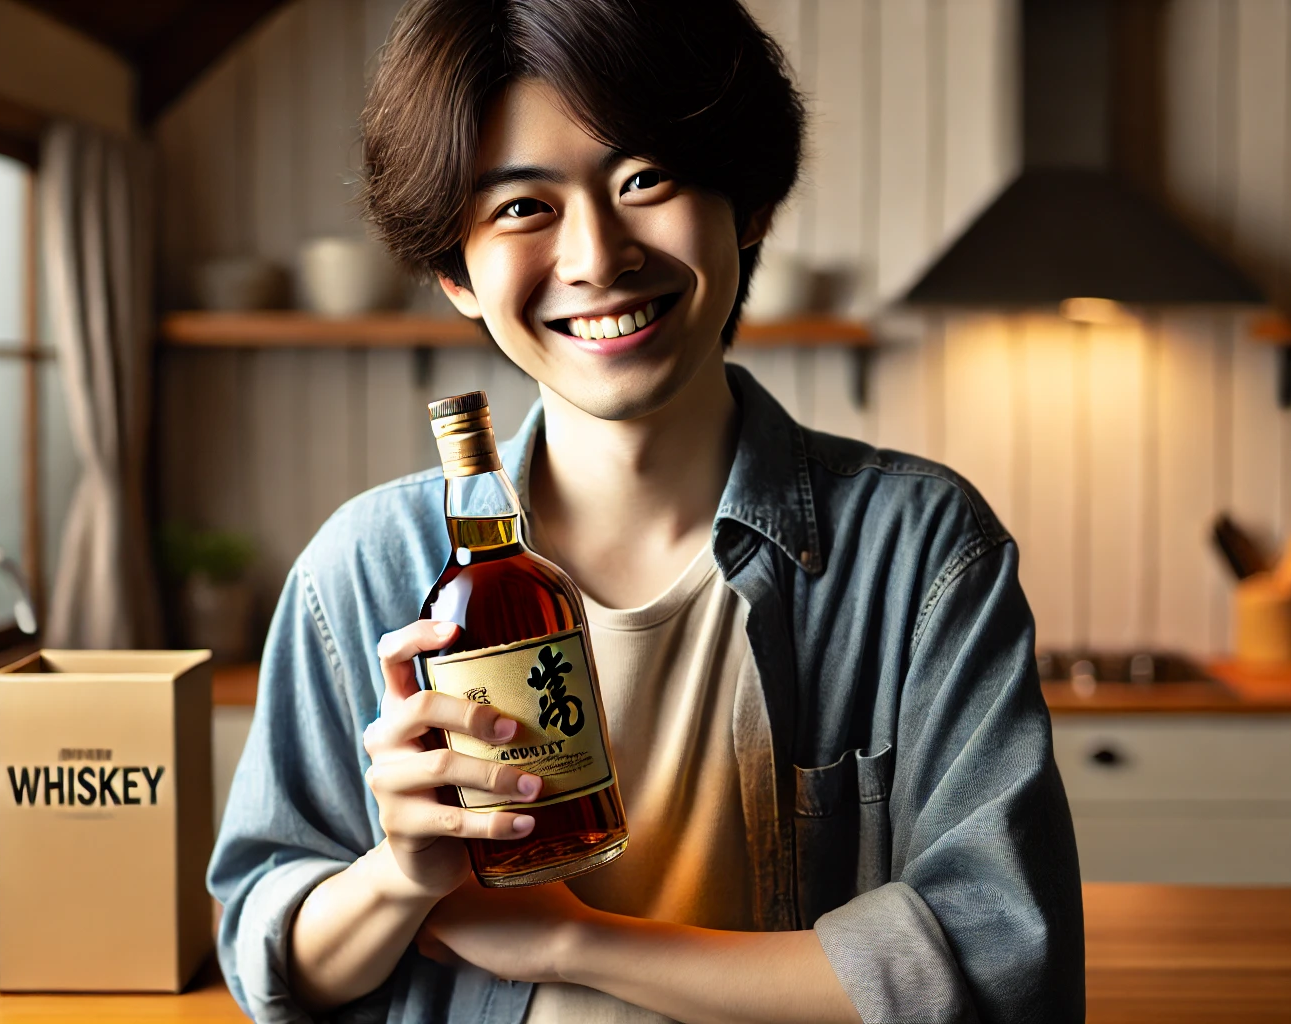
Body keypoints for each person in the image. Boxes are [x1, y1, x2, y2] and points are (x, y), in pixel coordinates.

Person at [207, 1, 1084, 1021]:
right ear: (454, 269)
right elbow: (269, 959)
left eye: (644, 181)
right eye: (522, 209)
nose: (595, 256)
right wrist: (400, 874)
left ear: (745, 203)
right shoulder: (361, 570)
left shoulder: (921, 550)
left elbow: (1005, 961)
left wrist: (573, 940)